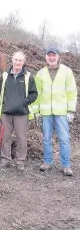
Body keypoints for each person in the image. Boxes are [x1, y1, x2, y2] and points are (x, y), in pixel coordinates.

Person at [32, 48, 77, 176]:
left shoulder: (66, 71)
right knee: (46, 138)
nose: (51, 58)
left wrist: (71, 110)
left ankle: (66, 165)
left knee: (64, 139)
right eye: (49, 56)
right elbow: (37, 93)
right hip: (46, 112)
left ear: (58, 57)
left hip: (62, 112)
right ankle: (47, 162)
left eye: (54, 56)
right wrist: (36, 110)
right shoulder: (41, 73)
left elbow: (72, 92)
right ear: (46, 57)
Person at [0, 51, 38, 171]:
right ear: (12, 60)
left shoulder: (28, 77)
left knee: (21, 137)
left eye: (20, 60)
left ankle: (20, 161)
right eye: (16, 60)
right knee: (5, 136)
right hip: (6, 113)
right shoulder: (5, 76)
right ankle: (5, 159)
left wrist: (23, 102)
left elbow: (34, 94)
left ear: (24, 62)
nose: (17, 62)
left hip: (21, 113)